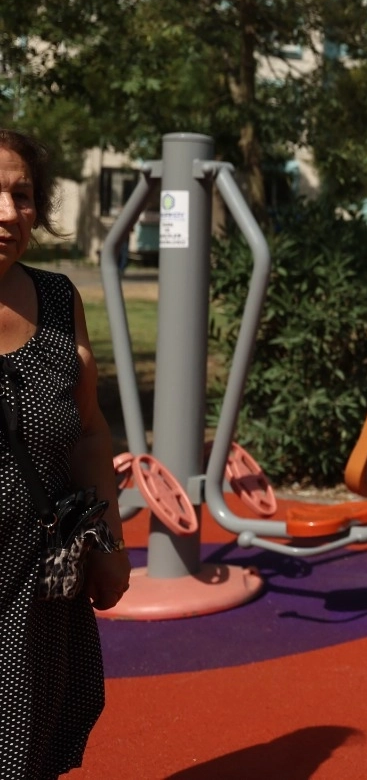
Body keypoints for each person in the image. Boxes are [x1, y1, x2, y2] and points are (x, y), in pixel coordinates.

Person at [0, 128, 130, 779]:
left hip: (38, 579)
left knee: (30, 743)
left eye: (21, 195)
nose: (7, 213)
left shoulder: (56, 300)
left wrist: (109, 544)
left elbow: (88, 431)